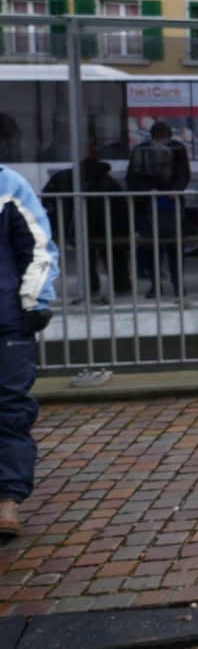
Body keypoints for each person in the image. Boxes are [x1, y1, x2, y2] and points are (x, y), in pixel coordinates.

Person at [0, 164, 59, 537]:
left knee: (9, 408)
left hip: (6, 319)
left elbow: (38, 246)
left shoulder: (8, 184)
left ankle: (7, 502)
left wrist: (34, 301)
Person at [42, 156, 131, 299]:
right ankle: (121, 286)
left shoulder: (66, 178)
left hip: (78, 227)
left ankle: (91, 288)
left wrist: (59, 225)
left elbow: (48, 200)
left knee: (86, 257)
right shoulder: (108, 182)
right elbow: (121, 210)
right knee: (114, 256)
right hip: (107, 228)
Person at [126, 121, 191, 298]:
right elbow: (184, 175)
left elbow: (132, 177)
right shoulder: (178, 149)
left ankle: (156, 285)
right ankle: (177, 285)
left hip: (147, 204)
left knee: (151, 246)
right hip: (171, 203)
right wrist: (174, 191)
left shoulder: (140, 150)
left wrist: (146, 192)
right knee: (175, 246)